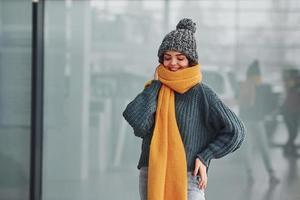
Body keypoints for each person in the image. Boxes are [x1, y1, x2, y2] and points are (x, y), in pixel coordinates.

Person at [122, 18, 245, 200]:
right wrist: (156, 85)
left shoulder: (202, 94)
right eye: (167, 57)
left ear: (190, 61)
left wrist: (205, 157)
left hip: (189, 177)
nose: (173, 63)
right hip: (152, 174)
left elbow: (236, 131)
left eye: (180, 58)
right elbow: (139, 125)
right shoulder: (154, 90)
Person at [238, 60, 280, 185]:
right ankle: (271, 173)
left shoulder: (244, 85)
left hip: (246, 120)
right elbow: (268, 103)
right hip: (256, 120)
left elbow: (242, 103)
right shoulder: (260, 87)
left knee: (248, 147)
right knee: (263, 147)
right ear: (256, 75)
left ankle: (250, 173)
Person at [281, 68, 300, 156]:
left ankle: (291, 150)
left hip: (295, 112)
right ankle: (287, 149)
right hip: (288, 112)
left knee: (294, 132)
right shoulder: (290, 86)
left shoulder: (296, 86)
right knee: (293, 132)